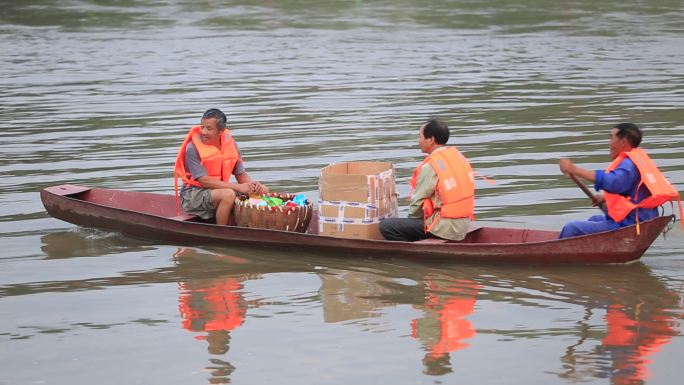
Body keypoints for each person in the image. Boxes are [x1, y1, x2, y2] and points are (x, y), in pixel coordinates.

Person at [558, 122, 679, 238]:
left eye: (611, 138)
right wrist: (605, 198)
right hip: (641, 219)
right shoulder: (637, 160)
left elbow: (612, 182)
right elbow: (636, 191)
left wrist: (574, 169)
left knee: (571, 228)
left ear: (623, 142)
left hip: (630, 223)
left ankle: (559, 256)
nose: (609, 143)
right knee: (594, 220)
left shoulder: (629, 165)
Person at [380, 118, 475, 242]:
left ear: (431, 140)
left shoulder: (431, 165)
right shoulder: (458, 158)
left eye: (420, 136)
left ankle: (411, 252)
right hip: (463, 224)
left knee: (387, 226)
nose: (418, 141)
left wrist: (409, 223)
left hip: (444, 227)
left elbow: (417, 201)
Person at [174, 108, 268, 225]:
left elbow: (241, 174)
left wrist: (254, 186)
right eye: (202, 127)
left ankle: (252, 225)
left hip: (219, 190)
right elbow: (204, 181)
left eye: (209, 128)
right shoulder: (192, 148)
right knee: (228, 194)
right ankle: (222, 231)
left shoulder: (231, 144)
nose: (203, 132)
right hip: (193, 195)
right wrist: (238, 188)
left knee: (263, 190)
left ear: (220, 131)